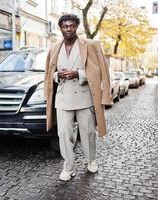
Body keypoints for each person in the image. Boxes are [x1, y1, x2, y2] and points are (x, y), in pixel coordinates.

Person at [44, 14, 113, 181]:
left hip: (84, 97)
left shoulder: (91, 45)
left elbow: (100, 71)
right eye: (65, 26)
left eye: (72, 26)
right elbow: (48, 74)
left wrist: (79, 74)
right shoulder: (54, 48)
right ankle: (68, 167)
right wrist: (56, 76)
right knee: (63, 132)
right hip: (62, 98)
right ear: (60, 28)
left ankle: (91, 160)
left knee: (88, 131)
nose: (69, 29)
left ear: (77, 27)